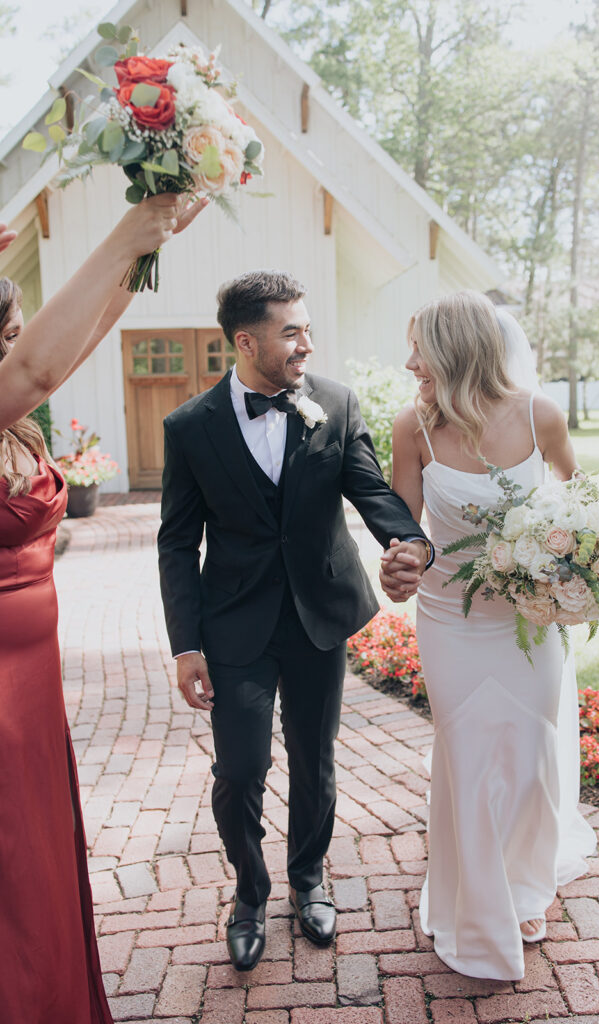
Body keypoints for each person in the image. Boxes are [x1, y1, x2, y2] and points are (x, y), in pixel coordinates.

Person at [157, 269, 433, 971]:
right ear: (246, 342)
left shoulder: (335, 404)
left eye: (307, 329)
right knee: (241, 768)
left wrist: (412, 542)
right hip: (233, 626)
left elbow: (372, 492)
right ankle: (249, 893)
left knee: (315, 761)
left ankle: (308, 879)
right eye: (292, 332)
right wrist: (186, 644)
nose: (307, 343)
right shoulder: (190, 427)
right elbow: (176, 541)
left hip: (318, 616)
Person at [0, 194, 205, 1024]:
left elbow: (71, 344)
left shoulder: (14, 415)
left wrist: (147, 248)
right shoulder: (12, 390)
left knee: (35, 857)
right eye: (9, 320)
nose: (20, 333)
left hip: (30, 685)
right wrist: (135, 219)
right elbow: (39, 369)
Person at [382, 291, 595, 981]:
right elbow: (405, 532)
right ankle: (476, 908)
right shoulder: (411, 427)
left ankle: (526, 886)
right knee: (469, 755)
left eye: (420, 347)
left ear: (457, 350)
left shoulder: (539, 415)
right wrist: (400, 564)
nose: (410, 361)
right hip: (450, 621)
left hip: (527, 622)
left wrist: (583, 561)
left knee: (529, 752)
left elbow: (583, 500)